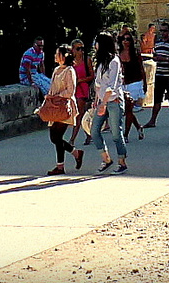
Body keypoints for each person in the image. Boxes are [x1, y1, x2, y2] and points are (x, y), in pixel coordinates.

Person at [88, 31, 129, 173]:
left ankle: (122, 161)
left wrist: (103, 104)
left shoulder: (114, 61)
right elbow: (98, 84)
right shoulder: (100, 62)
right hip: (102, 101)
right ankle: (106, 158)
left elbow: (111, 85)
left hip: (114, 101)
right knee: (94, 131)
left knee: (116, 133)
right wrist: (97, 100)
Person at [42, 44, 79, 175]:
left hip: (65, 107)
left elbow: (70, 91)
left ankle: (60, 166)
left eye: (58, 53)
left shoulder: (69, 71)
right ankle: (75, 153)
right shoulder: (57, 70)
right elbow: (52, 88)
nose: (55, 56)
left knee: (57, 136)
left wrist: (57, 96)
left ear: (64, 56)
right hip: (55, 107)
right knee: (54, 137)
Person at [144, 23, 169, 128]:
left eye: (165, 31)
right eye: (161, 31)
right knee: (157, 98)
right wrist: (156, 57)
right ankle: (152, 120)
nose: (163, 33)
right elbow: (155, 54)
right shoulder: (157, 44)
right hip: (159, 74)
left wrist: (165, 59)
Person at [67, 38, 92, 169]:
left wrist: (80, 80)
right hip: (72, 89)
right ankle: (88, 134)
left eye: (82, 48)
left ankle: (72, 138)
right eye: (78, 48)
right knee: (77, 114)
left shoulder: (86, 60)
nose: (81, 51)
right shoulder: (70, 61)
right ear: (72, 49)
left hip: (82, 88)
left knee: (79, 114)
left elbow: (91, 75)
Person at [118, 32, 147, 141]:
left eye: (128, 39)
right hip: (123, 83)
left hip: (135, 82)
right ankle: (138, 127)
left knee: (129, 109)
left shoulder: (135, 53)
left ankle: (125, 134)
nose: (126, 41)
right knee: (127, 110)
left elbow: (141, 68)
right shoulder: (118, 54)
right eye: (124, 39)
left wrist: (145, 82)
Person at [139, 23, 157, 110]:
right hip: (146, 52)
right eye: (152, 28)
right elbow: (144, 44)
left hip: (151, 52)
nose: (153, 30)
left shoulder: (154, 35)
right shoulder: (145, 35)